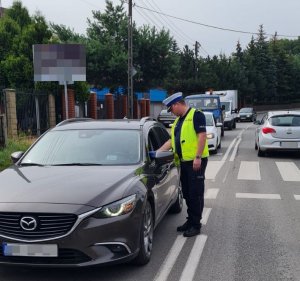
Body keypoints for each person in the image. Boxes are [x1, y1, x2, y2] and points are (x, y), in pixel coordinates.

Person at [158, 92, 209, 237]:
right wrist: (158, 152)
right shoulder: (178, 121)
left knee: (195, 193)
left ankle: (196, 225)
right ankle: (190, 220)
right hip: (183, 163)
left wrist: (198, 157)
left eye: (171, 109)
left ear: (177, 104)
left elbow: (202, 136)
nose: (171, 112)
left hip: (195, 162)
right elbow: (171, 141)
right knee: (186, 192)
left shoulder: (196, 115)